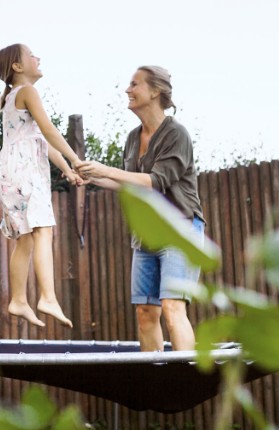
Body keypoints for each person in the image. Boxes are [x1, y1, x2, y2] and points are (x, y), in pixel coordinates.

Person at [75, 66, 203, 351]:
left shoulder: (176, 134)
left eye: (134, 84)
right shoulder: (133, 138)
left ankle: (186, 380)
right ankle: (156, 384)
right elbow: (131, 186)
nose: (127, 90)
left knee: (172, 307)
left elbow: (155, 182)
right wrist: (91, 178)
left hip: (179, 229)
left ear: (155, 91)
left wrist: (104, 169)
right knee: (145, 313)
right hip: (145, 236)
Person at [0, 43, 82, 328]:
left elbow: (40, 141)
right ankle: (48, 297)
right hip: (24, 170)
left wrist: (67, 170)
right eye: (31, 55)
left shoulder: (11, 97)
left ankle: (18, 300)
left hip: (9, 171)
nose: (37, 57)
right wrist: (76, 159)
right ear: (17, 67)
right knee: (44, 230)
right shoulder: (28, 92)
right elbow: (49, 130)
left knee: (27, 238)